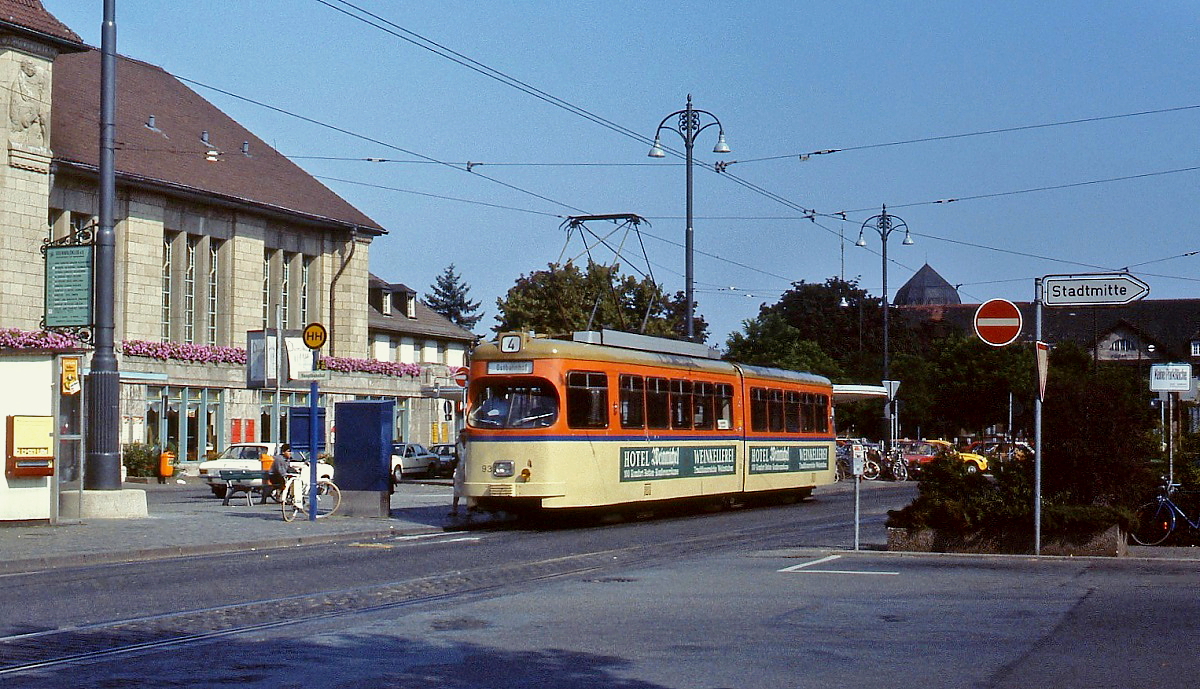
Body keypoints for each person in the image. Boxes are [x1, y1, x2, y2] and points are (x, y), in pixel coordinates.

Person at [450, 429, 468, 518]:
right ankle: (454, 509)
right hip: (460, 468)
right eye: (461, 435)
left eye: (464, 435)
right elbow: (456, 456)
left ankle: (469, 509)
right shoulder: (458, 444)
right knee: (457, 489)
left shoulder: (471, 444)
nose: (462, 437)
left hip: (469, 469)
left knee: (469, 489)